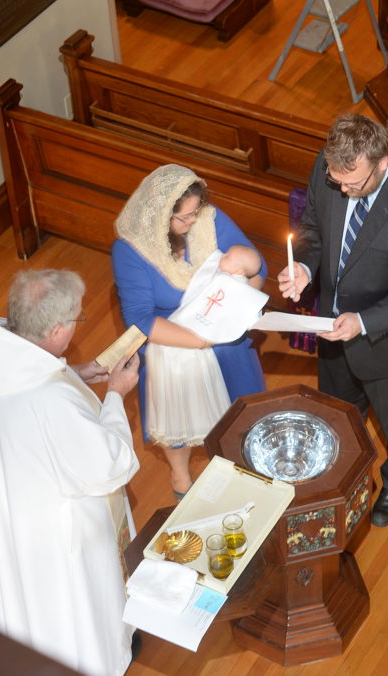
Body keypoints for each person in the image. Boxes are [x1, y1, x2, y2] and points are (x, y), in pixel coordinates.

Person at [278, 113, 388, 527]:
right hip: (332, 330)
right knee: (339, 416)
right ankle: (349, 478)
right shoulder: (332, 167)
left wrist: (364, 322)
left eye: (353, 183)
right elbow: (313, 230)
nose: (343, 190)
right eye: (337, 181)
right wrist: (305, 268)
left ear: (381, 161)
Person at [0, 269, 140, 676]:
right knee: (78, 609)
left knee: (31, 605)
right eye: (77, 317)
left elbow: (24, 386)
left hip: (12, 509)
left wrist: (73, 371)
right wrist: (115, 394)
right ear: (57, 330)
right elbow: (108, 465)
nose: (79, 322)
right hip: (60, 531)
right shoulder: (54, 401)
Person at [112, 164, 267, 500]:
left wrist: (241, 302)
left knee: (243, 405)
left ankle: (245, 458)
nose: (192, 221)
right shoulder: (131, 249)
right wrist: (199, 341)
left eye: (195, 212)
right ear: (159, 217)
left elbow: (257, 265)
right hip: (172, 337)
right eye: (183, 217)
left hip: (221, 324)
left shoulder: (208, 219)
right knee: (176, 396)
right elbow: (139, 317)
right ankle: (181, 475)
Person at [145, 244, 263, 452]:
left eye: (228, 257)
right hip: (189, 324)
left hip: (202, 334)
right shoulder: (221, 274)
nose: (222, 256)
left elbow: (249, 311)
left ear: (238, 270)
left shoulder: (240, 289)